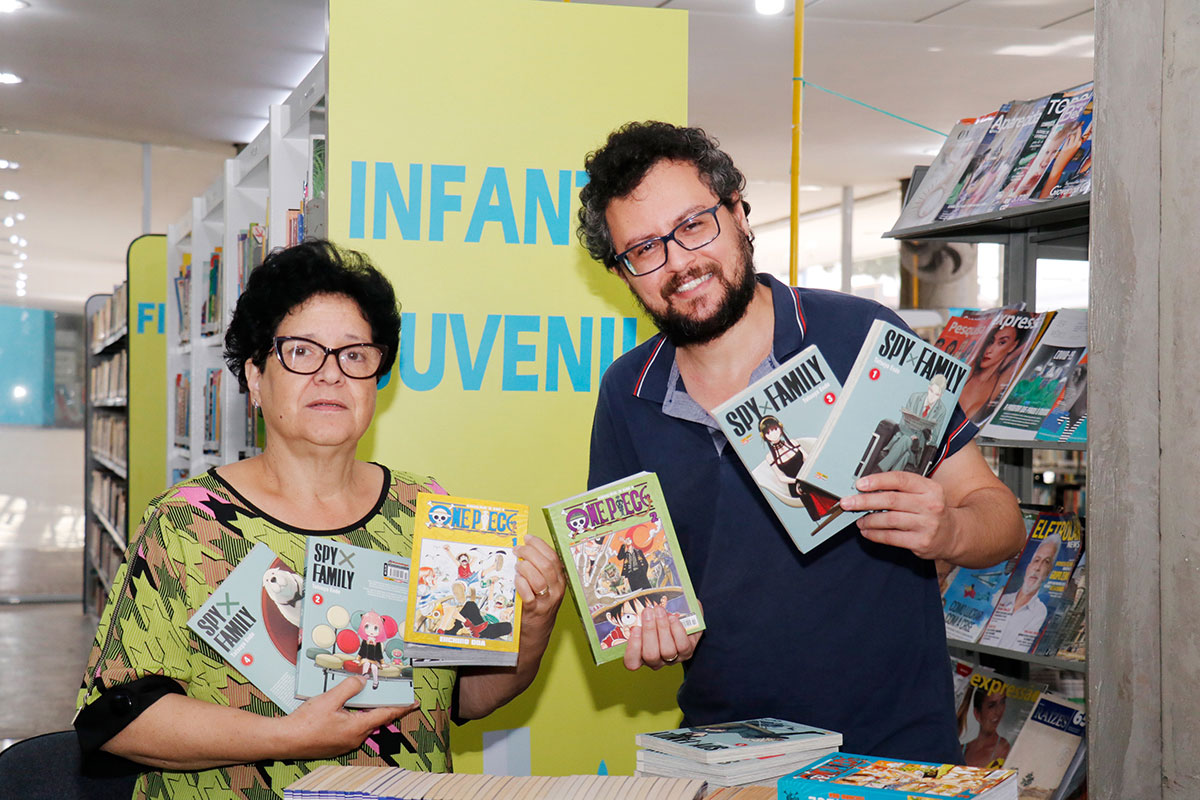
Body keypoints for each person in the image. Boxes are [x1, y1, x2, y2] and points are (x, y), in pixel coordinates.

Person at [576, 121, 1025, 762]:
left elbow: (1000, 519)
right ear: (623, 273)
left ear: (738, 212)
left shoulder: (858, 335)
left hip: (896, 755)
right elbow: (629, 592)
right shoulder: (628, 391)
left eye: (694, 225)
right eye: (644, 249)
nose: (678, 262)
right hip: (727, 753)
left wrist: (949, 532)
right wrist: (647, 632)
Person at [73, 240, 565, 799]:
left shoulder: (426, 511)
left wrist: (535, 624)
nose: (332, 374)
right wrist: (286, 738)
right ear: (255, 377)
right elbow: (114, 720)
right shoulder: (189, 525)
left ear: (377, 379)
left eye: (355, 355)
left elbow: (459, 702)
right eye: (302, 352)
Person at [981, 534, 1061, 651]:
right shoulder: (1000, 599)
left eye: (1046, 562)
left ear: (1049, 572)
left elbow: (1020, 650)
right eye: (1036, 560)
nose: (1037, 567)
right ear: (1028, 566)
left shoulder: (1039, 611)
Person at [958, 320, 1031, 424]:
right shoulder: (969, 371)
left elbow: (1025, 349)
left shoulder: (1001, 380)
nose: (989, 350)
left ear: (1013, 346)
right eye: (990, 342)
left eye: (1002, 342)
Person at [875, 375, 948, 474]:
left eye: (936, 395)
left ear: (941, 395)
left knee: (907, 446)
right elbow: (902, 424)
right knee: (905, 452)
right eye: (931, 391)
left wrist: (928, 436)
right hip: (902, 442)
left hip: (916, 450)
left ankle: (879, 470)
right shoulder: (915, 397)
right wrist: (913, 437)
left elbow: (934, 438)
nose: (932, 397)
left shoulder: (941, 410)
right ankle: (885, 482)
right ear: (928, 388)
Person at [961, 686, 1011, 768]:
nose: (998, 712)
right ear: (977, 714)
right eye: (991, 706)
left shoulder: (1004, 748)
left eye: (1002, 702)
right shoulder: (962, 749)